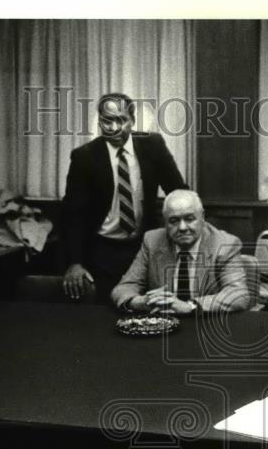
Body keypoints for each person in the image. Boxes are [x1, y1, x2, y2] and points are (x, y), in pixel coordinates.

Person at [61, 93, 187, 303]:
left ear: (133, 121)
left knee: (148, 307)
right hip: (102, 249)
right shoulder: (84, 156)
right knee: (105, 311)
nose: (114, 128)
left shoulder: (152, 145)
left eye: (121, 119)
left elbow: (179, 191)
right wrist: (75, 262)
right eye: (107, 121)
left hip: (144, 246)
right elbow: (74, 214)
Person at [112, 190, 250, 314]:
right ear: (165, 222)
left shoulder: (225, 244)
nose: (182, 227)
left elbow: (238, 294)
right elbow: (124, 287)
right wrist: (141, 302)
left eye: (189, 219)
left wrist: (190, 306)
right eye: (174, 221)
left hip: (205, 326)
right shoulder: (152, 240)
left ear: (202, 217)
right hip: (164, 326)